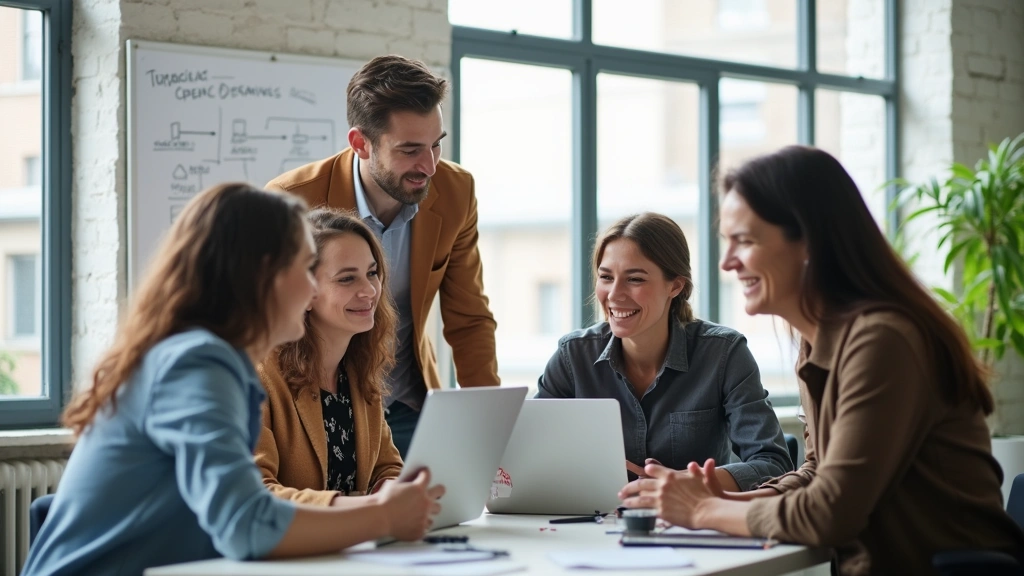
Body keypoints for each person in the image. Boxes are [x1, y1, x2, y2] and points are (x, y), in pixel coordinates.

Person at [619, 147, 1024, 574]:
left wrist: (701, 513)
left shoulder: (883, 341)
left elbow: (830, 513)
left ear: (808, 241)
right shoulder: (819, 343)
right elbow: (817, 473)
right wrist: (722, 501)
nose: (727, 262)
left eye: (746, 240)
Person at [22, 184, 444, 576]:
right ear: (264, 275)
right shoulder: (198, 363)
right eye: (303, 267)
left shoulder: (215, 362)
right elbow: (244, 524)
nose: (310, 287)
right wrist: (383, 516)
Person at [266, 55, 499, 458]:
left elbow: (469, 319)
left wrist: (489, 425)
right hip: (317, 407)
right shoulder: (291, 202)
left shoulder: (456, 191)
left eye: (437, 145)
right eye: (410, 150)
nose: (428, 166)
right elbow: (264, 322)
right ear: (361, 143)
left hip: (409, 407)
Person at [537, 212, 792, 492]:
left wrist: (682, 483)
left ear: (675, 285)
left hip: (692, 526)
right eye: (606, 277)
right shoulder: (572, 357)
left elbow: (773, 463)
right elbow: (527, 455)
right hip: (587, 525)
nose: (614, 294)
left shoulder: (724, 354)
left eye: (635, 279)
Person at [255, 208, 403, 506]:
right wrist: (364, 507)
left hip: (352, 546)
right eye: (347, 279)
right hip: (291, 549)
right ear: (304, 292)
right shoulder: (258, 375)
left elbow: (386, 468)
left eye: (372, 273)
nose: (370, 290)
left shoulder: (358, 369)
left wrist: (393, 490)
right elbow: (254, 493)